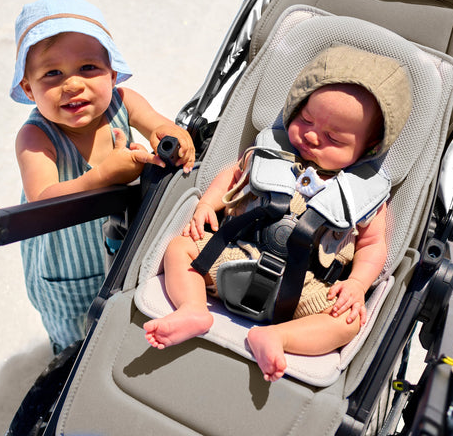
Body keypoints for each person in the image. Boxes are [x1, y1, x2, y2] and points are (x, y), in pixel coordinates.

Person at [144, 45, 412, 381]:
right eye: (306, 119)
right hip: (234, 255)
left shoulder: (364, 193)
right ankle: (193, 309)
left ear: (368, 149)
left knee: (348, 321)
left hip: (306, 291)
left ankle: (278, 338)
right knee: (180, 248)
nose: (311, 135)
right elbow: (232, 175)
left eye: (333, 137)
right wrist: (207, 205)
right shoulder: (269, 152)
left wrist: (357, 284)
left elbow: (372, 245)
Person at [11, 0, 195, 354]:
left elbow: (161, 127)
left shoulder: (124, 103)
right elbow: (41, 202)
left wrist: (174, 137)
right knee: (77, 340)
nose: (72, 84)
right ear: (29, 88)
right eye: (52, 73)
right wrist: (102, 177)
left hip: (124, 246)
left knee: (123, 318)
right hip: (68, 266)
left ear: (112, 72)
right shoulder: (35, 137)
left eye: (88, 68)